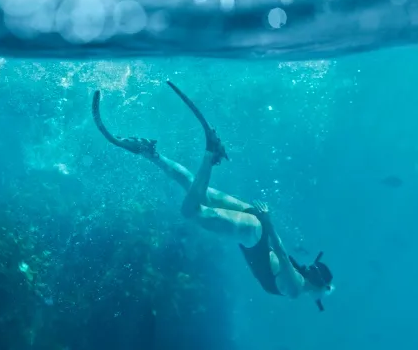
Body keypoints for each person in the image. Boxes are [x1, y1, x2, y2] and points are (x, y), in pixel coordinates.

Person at [91, 80, 335, 311]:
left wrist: (266, 222)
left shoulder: (301, 280)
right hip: (253, 232)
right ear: (320, 287)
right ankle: (210, 153)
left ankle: (150, 153)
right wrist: (268, 223)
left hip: (255, 223)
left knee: (196, 188)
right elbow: (280, 252)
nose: (309, 269)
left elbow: (281, 253)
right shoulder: (295, 289)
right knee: (190, 211)